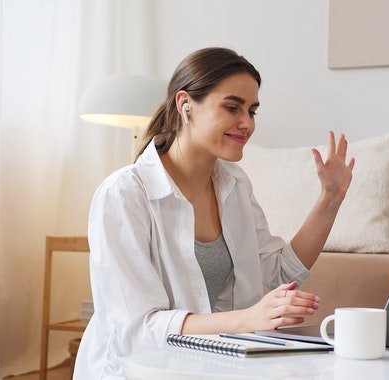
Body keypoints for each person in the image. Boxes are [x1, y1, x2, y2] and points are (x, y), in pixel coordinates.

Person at [73, 47, 355, 379]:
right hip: (139, 369)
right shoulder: (123, 194)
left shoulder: (234, 184)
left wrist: (330, 198)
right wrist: (249, 318)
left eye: (252, 111)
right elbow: (139, 330)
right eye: (232, 107)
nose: (247, 123)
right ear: (185, 105)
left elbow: (279, 272)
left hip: (215, 364)